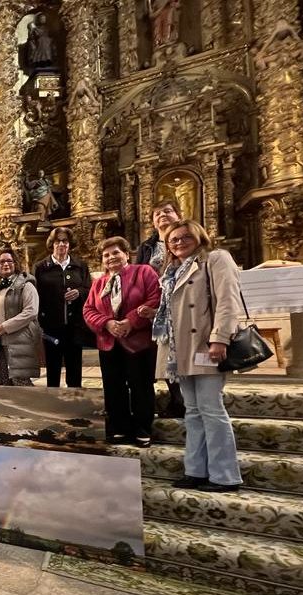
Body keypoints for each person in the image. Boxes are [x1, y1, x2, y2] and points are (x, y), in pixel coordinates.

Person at [152, 219, 244, 492]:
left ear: (198, 236)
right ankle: (196, 470)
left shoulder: (215, 259)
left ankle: (225, 475)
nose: (178, 242)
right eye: (173, 240)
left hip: (205, 345)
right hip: (181, 350)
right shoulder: (173, 269)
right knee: (192, 412)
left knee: (212, 410)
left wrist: (220, 338)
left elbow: (228, 301)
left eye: (184, 237)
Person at [83, 237, 161, 447]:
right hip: (109, 342)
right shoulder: (99, 283)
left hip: (138, 341)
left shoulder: (143, 272)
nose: (111, 257)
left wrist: (131, 321)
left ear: (127, 254)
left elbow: (155, 298)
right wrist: (107, 323)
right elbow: (88, 310)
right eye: (106, 255)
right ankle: (119, 428)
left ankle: (143, 429)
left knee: (140, 386)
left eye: (116, 252)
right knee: (113, 387)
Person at [137, 198, 187, 418]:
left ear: (178, 214)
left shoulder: (187, 239)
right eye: (157, 214)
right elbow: (138, 276)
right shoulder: (147, 246)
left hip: (183, 303)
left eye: (167, 211)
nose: (162, 215)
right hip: (155, 304)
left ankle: (188, 400)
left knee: (181, 353)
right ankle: (176, 398)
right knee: (164, 354)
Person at [33, 227, 92, 388]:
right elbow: (35, 295)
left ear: (69, 244)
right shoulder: (41, 267)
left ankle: (74, 403)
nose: (61, 244)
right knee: (53, 368)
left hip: (75, 326)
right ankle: (53, 404)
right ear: (52, 244)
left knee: (74, 368)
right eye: (57, 241)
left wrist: (79, 292)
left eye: (65, 241)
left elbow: (90, 290)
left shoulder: (80, 266)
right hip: (51, 327)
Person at [0, 248, 42, 386]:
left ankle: (31, 407)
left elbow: (31, 311)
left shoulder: (26, 285)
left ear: (15, 263)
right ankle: (7, 408)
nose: (5, 264)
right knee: (3, 380)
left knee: (21, 381)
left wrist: (6, 326)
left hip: (20, 339)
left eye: (9, 261)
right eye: (1, 261)